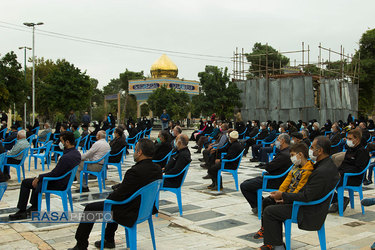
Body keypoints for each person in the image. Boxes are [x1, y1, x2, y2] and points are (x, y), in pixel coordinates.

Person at [68, 139, 162, 250]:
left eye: (135, 150)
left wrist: (111, 196)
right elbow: (136, 186)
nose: (134, 152)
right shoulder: (157, 169)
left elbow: (118, 196)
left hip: (131, 211)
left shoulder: (135, 171)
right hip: (145, 208)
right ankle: (109, 239)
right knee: (115, 203)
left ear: (140, 152)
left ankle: (81, 244)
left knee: (92, 208)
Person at [258, 136, 340, 250]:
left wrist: (283, 196)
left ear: (320, 151)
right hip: (310, 202)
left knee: (270, 211)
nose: (310, 150)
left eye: (312, 147)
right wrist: (284, 195)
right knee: (270, 201)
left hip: (309, 209)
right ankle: (272, 243)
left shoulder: (322, 171)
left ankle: (277, 246)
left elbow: (306, 196)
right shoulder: (325, 164)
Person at [9, 131, 81, 220]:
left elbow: (54, 174)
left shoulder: (66, 157)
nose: (60, 143)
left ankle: (22, 210)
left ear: (67, 142)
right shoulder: (76, 153)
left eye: (61, 141)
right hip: (65, 181)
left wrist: (39, 177)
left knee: (25, 182)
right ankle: (34, 207)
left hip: (58, 183)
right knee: (35, 180)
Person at [253, 143, 314, 240]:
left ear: (300, 155)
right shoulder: (295, 166)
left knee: (272, 210)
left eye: (292, 155)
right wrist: (279, 194)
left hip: (294, 200)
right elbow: (286, 181)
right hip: (286, 195)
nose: (291, 158)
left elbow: (299, 189)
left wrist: (285, 198)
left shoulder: (308, 170)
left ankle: (274, 240)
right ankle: (264, 229)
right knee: (267, 201)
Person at [240, 133, 293, 214]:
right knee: (248, 182)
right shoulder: (288, 151)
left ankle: (259, 206)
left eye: (278, 139)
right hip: (275, 177)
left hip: (274, 180)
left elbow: (269, 167)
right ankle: (262, 204)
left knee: (245, 186)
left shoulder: (284, 154)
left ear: (282, 141)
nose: (276, 141)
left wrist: (268, 166)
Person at [328, 129, 370, 213]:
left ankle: (338, 201)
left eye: (350, 139)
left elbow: (358, 168)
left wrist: (342, 173)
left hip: (352, 177)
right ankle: (339, 200)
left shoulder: (362, 152)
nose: (348, 140)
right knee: (324, 179)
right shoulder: (350, 150)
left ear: (357, 139)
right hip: (344, 174)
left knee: (328, 182)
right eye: (347, 138)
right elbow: (344, 164)